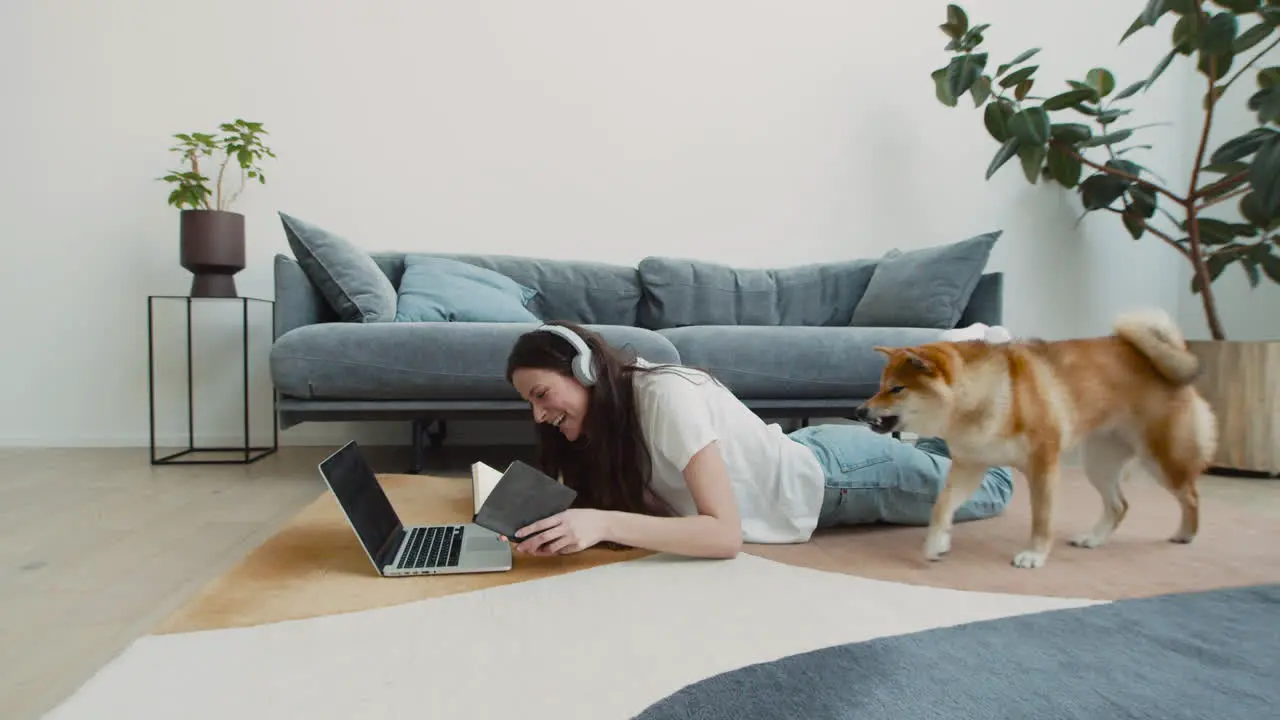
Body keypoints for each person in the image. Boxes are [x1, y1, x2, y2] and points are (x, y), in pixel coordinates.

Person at [502, 320, 1015, 559]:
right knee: (928, 452)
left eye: (542, 394)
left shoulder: (663, 397)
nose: (539, 413)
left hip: (836, 480)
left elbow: (723, 536)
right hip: (806, 450)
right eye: (530, 403)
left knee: (991, 486)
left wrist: (602, 521)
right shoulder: (600, 427)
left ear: (586, 370)